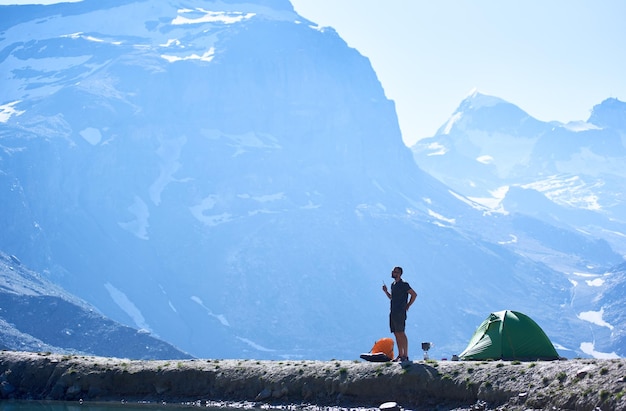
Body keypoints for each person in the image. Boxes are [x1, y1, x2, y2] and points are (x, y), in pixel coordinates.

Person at [382, 266, 417, 362]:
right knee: (396, 333)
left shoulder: (404, 284)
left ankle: (405, 355)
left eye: (396, 272)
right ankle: (400, 354)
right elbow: (392, 298)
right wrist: (386, 292)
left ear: (400, 274)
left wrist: (408, 305)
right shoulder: (393, 285)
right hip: (393, 311)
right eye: (393, 271)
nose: (394, 273)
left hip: (400, 312)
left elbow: (414, 294)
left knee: (401, 332)